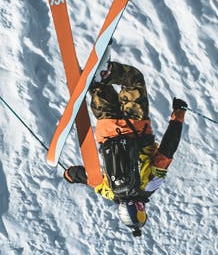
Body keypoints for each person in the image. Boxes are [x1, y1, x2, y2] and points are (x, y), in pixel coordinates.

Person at [62, 61, 186, 236]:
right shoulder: (109, 192)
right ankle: (96, 80)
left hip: (135, 124)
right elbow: (86, 177)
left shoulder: (150, 185)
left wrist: (178, 116)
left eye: (141, 212)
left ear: (138, 209)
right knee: (99, 89)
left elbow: (167, 150)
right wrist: (69, 175)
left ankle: (106, 72)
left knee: (134, 81)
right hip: (106, 128)